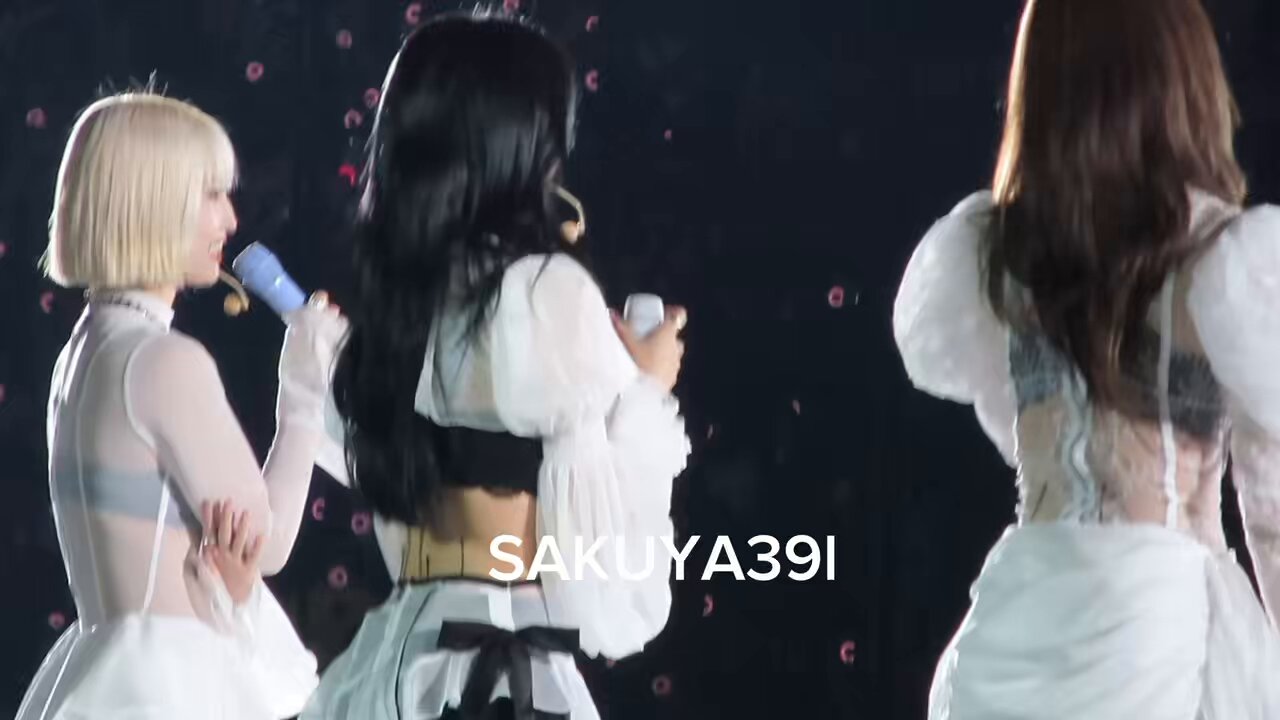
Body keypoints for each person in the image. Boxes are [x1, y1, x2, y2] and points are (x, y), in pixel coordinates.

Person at [892, 0, 1280, 717]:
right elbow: (1272, 501)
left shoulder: (998, 255)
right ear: (1183, 77)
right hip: (1154, 627)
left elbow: (1022, 433)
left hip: (1021, 613)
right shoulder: (1227, 262)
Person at [301, 13, 691, 720]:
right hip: (501, 670)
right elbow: (614, 583)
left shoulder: (389, 306)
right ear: (523, 144)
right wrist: (648, 390)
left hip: (392, 662)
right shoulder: (544, 293)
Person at [16, 90, 347, 719]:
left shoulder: (83, 350)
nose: (230, 219)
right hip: (169, 689)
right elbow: (269, 543)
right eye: (211, 194)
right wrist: (303, 398)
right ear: (152, 199)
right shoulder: (163, 361)